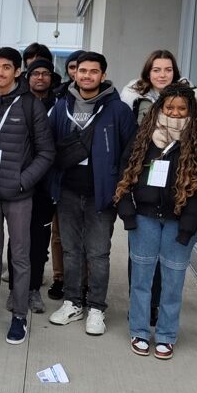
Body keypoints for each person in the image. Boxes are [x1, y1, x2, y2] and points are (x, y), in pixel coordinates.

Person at [115, 84, 197, 359]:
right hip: (144, 218)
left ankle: (166, 335)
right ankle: (138, 330)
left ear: (191, 111)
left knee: (173, 281)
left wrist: (190, 225)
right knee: (141, 279)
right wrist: (127, 212)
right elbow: (124, 172)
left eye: (182, 108)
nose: (175, 113)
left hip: (178, 222)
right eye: (169, 107)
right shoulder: (144, 135)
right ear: (160, 108)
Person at [47, 51, 137, 336]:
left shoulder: (118, 110)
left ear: (103, 75)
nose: (86, 76)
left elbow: (130, 151)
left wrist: (118, 186)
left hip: (102, 193)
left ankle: (97, 307)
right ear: (75, 73)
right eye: (82, 71)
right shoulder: (62, 106)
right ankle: (73, 302)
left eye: (93, 72)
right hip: (68, 190)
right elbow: (50, 146)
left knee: (98, 253)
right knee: (72, 250)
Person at [0, 47, 55, 345]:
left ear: (18, 72)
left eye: (8, 67)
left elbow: (47, 153)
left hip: (19, 195)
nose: (1, 72)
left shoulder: (31, 106)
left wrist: (23, 181)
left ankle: (19, 315)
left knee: (19, 256)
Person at [19, 57, 60, 313]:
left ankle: (33, 289)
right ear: (28, 77)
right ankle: (16, 289)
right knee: (18, 238)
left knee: (39, 239)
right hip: (20, 181)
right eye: (36, 73)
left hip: (46, 183)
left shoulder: (59, 105)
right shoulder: (19, 102)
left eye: (45, 73)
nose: (40, 78)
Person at [48, 49, 85, 300]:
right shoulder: (60, 98)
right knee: (59, 235)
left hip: (90, 181)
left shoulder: (108, 103)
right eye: (72, 68)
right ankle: (60, 277)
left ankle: (85, 282)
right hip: (63, 177)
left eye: (80, 68)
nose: (76, 73)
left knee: (88, 240)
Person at [120, 50, 197, 124]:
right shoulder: (134, 97)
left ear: (174, 72)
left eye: (168, 70)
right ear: (148, 73)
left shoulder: (190, 96)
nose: (162, 75)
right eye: (156, 70)